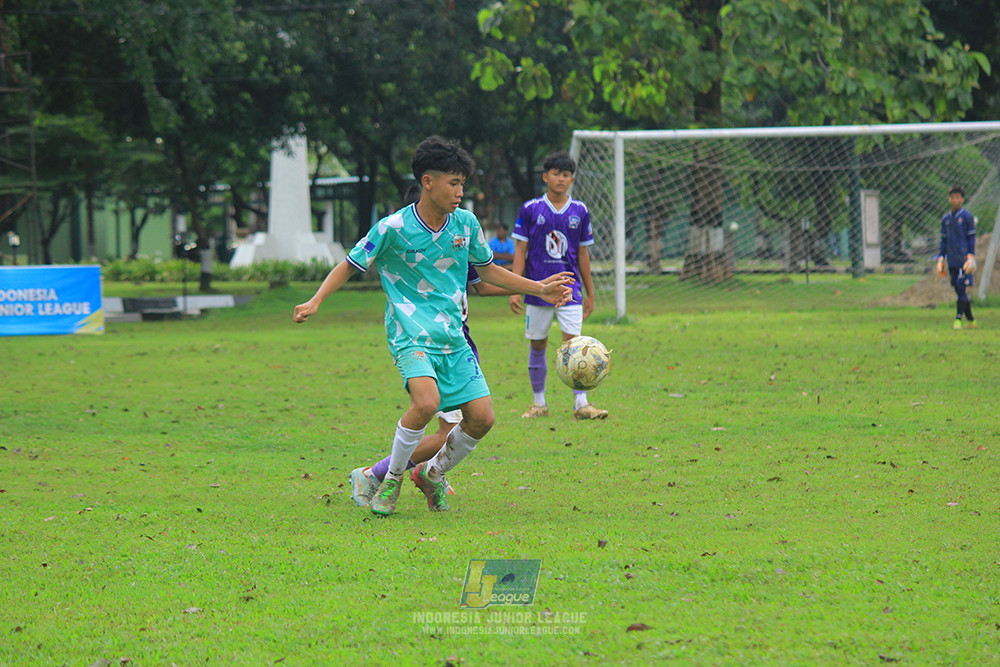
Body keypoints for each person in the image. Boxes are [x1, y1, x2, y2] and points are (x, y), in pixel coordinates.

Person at [294, 136, 572, 516]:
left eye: (462, 184)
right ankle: (389, 480)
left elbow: (487, 272)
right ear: (428, 181)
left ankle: (432, 474)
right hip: (410, 334)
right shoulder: (392, 227)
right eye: (453, 183)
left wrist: (538, 287)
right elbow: (350, 264)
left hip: (453, 337)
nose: (460, 192)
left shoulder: (466, 225)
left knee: (483, 418)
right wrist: (316, 300)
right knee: (426, 403)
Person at [508, 151, 608, 420]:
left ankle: (581, 404)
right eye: (556, 173)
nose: (561, 179)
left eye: (566, 175)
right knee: (538, 344)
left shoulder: (580, 211)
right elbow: (521, 250)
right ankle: (538, 403)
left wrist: (590, 292)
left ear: (572, 179)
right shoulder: (531, 209)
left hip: (569, 290)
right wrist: (517, 288)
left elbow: (583, 254)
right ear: (545, 176)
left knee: (574, 347)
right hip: (537, 288)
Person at [936, 186, 977, 329]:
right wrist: (941, 258)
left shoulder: (967, 217)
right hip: (952, 260)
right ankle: (971, 319)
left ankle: (958, 319)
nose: (954, 200)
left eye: (957, 197)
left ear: (962, 199)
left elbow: (971, 238)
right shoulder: (946, 219)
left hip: (964, 260)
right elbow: (944, 240)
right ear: (949, 199)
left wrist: (971, 256)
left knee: (961, 286)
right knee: (958, 288)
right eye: (952, 197)